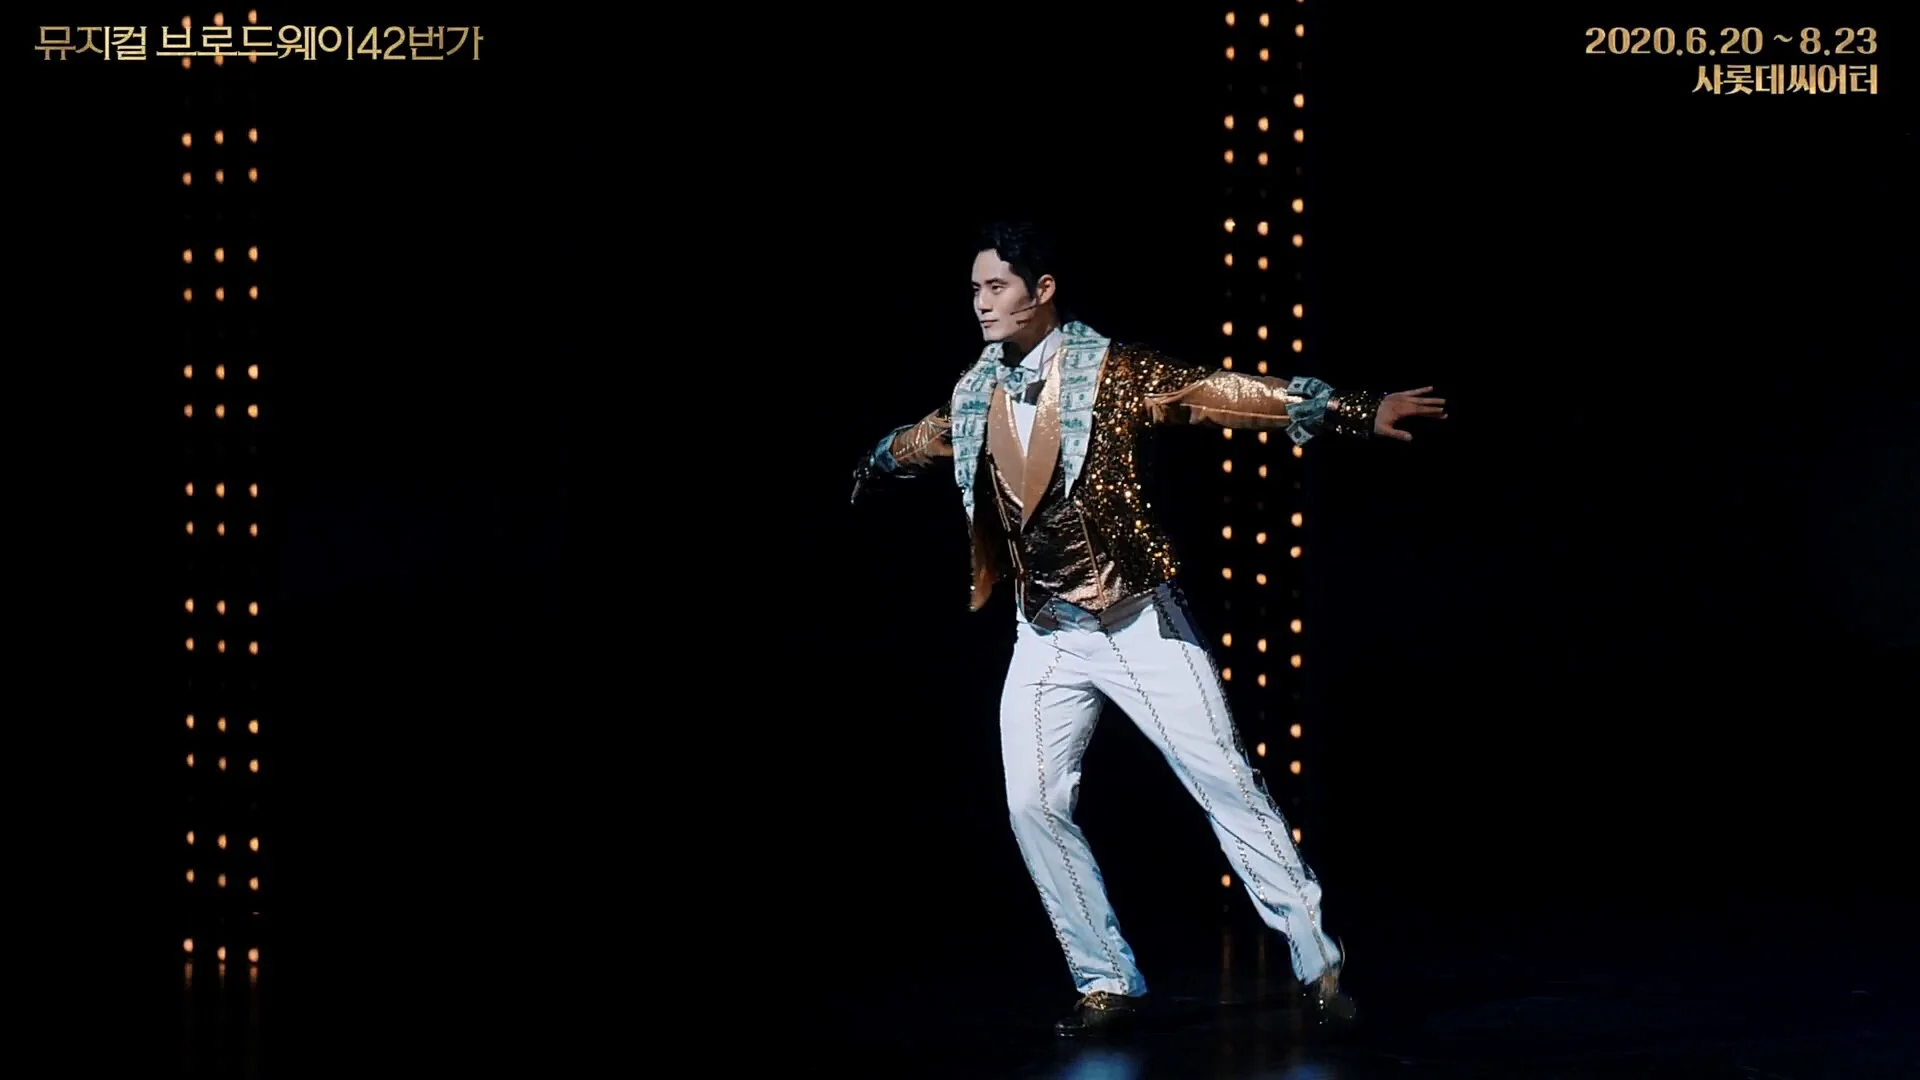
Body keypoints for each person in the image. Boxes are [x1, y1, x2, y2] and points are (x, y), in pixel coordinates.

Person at [849, 221, 1446, 1037]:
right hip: (1045, 632)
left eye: (996, 287)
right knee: (1031, 804)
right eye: (975, 289)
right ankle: (1105, 980)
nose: (980, 303)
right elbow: (931, 437)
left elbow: (1219, 392)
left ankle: (1319, 962)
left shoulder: (1116, 372)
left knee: (1225, 784)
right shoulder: (977, 389)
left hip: (1136, 622)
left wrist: (1348, 408)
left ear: (1041, 290)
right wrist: (878, 458)